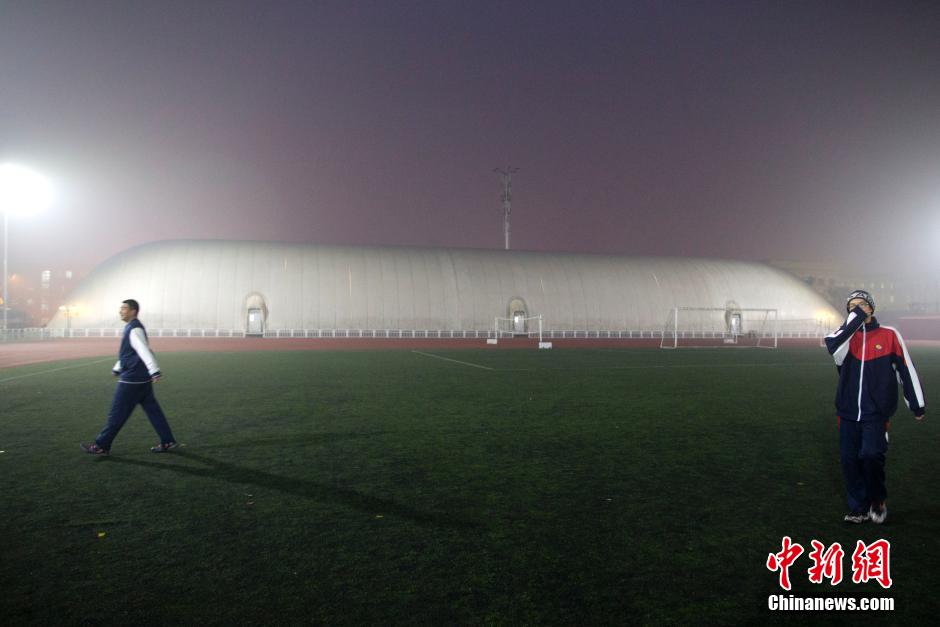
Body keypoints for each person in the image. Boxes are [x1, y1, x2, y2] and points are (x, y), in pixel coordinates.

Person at [824, 289, 925, 524]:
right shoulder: (842, 339)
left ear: (871, 307)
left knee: (871, 455)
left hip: (876, 412)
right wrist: (855, 319)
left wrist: (916, 404)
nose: (855, 309)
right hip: (847, 412)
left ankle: (877, 499)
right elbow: (832, 345)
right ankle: (858, 508)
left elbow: (906, 370)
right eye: (851, 307)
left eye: (861, 305)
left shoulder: (890, 335)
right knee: (849, 461)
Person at [80, 299, 178, 455]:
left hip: (132, 380)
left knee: (117, 414)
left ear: (133, 311)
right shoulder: (132, 327)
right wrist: (118, 367)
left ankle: (101, 445)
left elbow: (144, 350)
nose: (120, 311)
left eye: (124, 308)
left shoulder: (134, 328)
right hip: (142, 379)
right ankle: (168, 441)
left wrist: (154, 371)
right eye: (121, 308)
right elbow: (130, 352)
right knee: (154, 412)